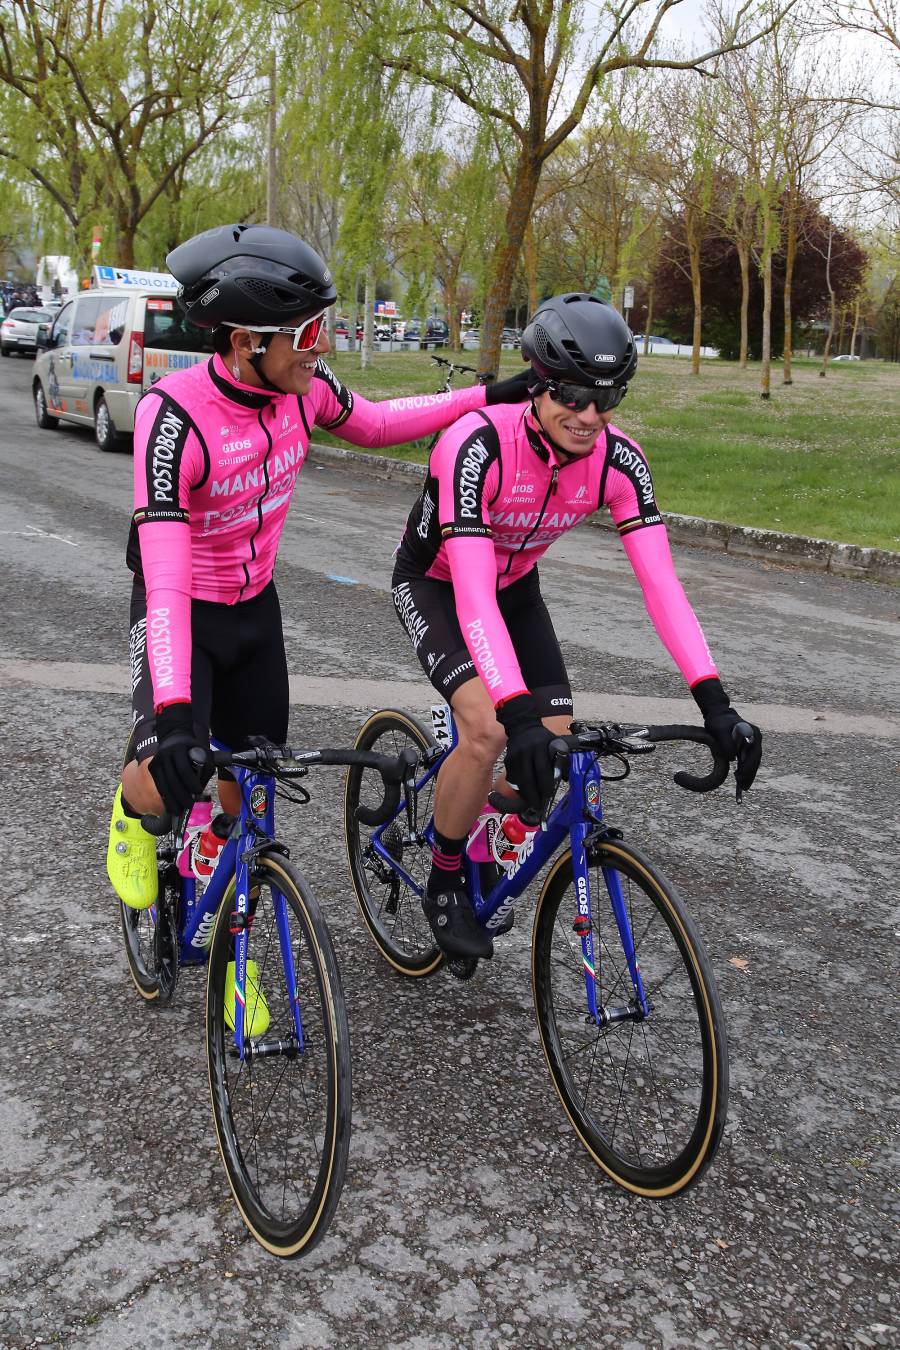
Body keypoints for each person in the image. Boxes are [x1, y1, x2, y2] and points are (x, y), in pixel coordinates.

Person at [106, 223, 531, 912]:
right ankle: (129, 812)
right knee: (166, 778)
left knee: (255, 781)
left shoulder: (306, 390)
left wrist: (489, 396)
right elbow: (165, 578)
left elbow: (381, 421)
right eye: (307, 334)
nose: (323, 346)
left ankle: (227, 942)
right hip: (180, 608)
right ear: (247, 342)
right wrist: (178, 714)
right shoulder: (173, 415)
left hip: (255, 609)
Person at [391, 292, 762, 960]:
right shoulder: (475, 446)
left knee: (556, 747)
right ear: (537, 384)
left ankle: (477, 831)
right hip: (441, 584)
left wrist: (715, 701)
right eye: (571, 395)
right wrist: (512, 711)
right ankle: (443, 881)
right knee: (489, 730)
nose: (589, 415)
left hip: (516, 588)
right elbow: (471, 589)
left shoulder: (620, 462)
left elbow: (662, 586)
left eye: (607, 397)